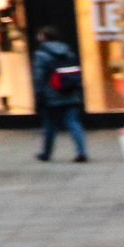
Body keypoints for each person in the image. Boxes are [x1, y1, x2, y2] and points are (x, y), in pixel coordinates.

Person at [29, 27, 88, 162]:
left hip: (51, 94)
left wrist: (38, 94)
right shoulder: (68, 52)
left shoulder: (41, 54)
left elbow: (39, 77)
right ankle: (81, 151)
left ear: (43, 37)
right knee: (74, 122)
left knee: (50, 124)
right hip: (71, 91)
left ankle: (46, 153)